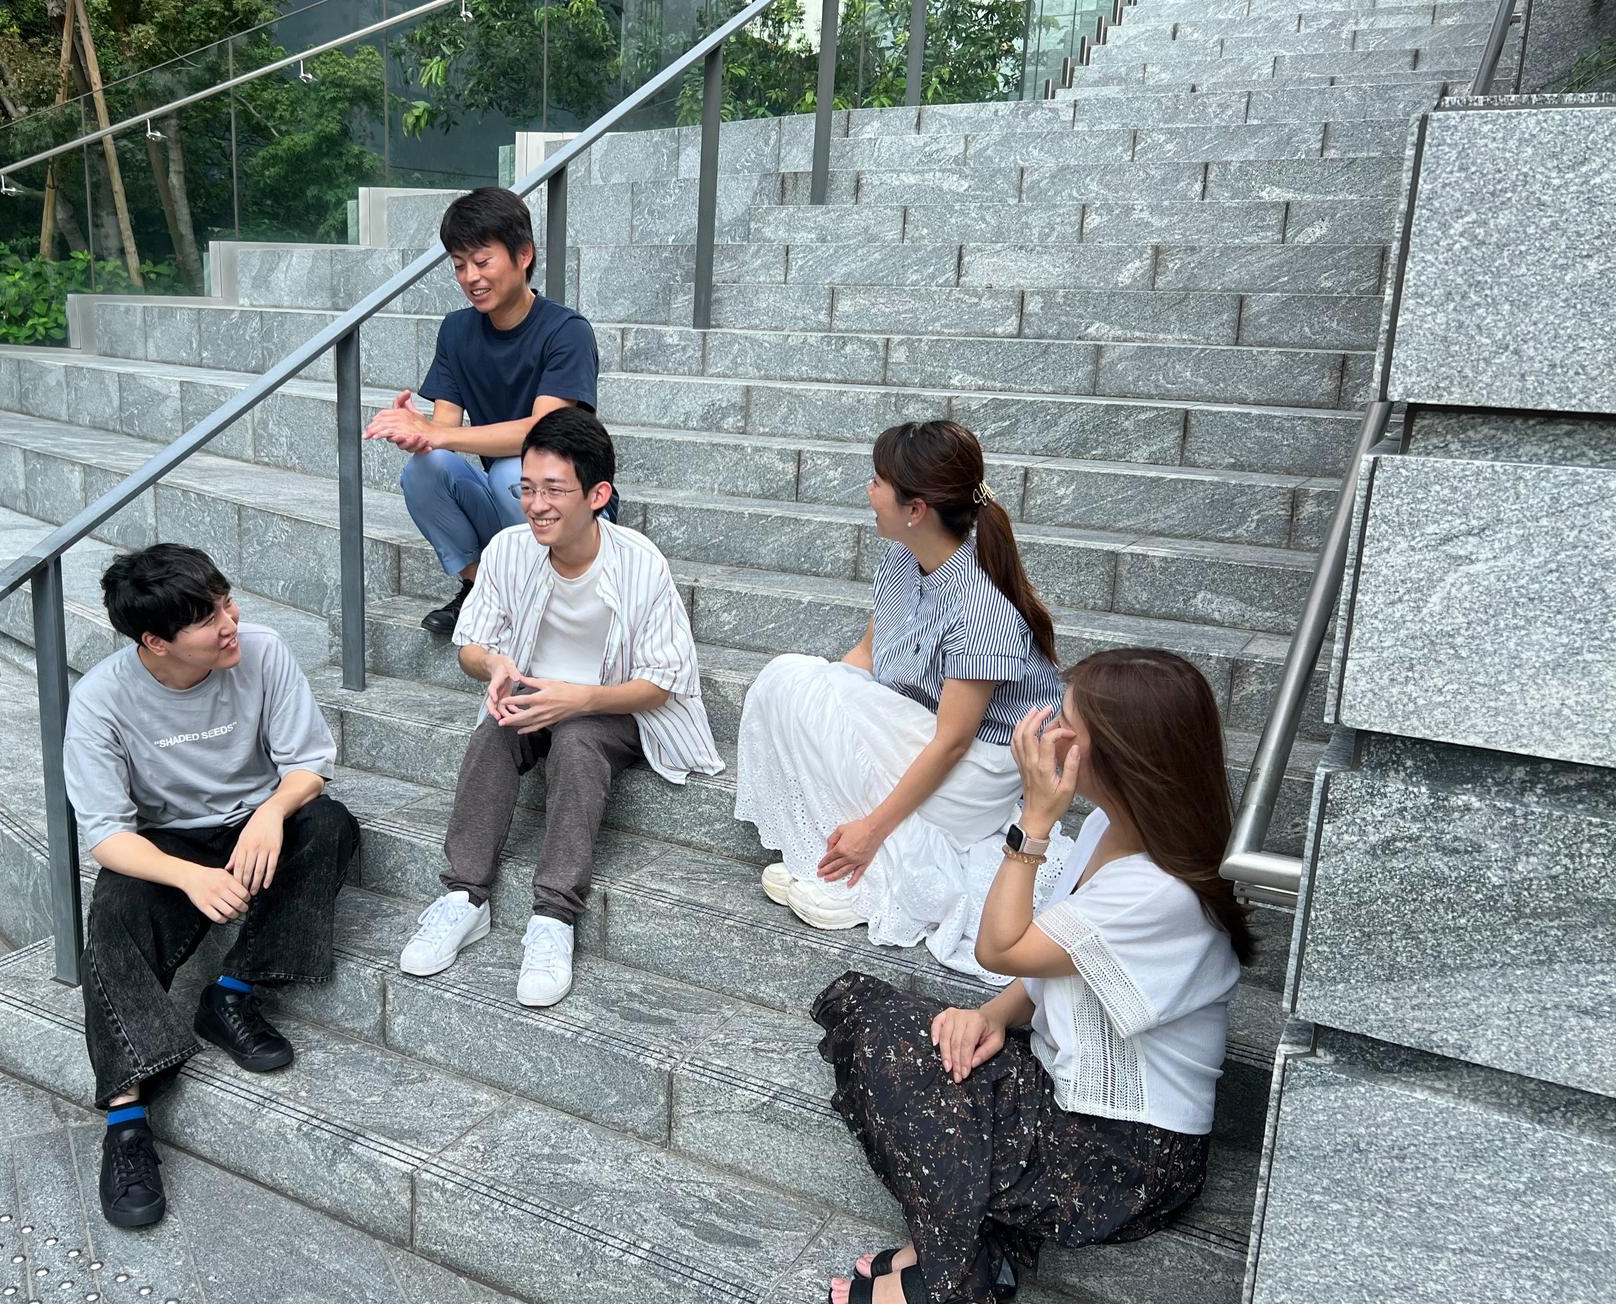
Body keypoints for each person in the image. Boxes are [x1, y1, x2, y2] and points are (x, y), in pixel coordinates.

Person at [813, 649, 1257, 1304]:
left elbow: (1000, 947)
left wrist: (1035, 822)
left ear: (1123, 758)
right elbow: (1061, 960)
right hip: (1067, 1091)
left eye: (1068, 724)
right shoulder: (1108, 825)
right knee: (871, 1015)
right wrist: (992, 1015)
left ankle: (950, 1275)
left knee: (899, 1057)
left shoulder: (1158, 890)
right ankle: (973, 1253)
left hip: (1124, 1158)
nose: (1047, 731)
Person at [63, 544, 358, 1229]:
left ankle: (231, 994)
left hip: (259, 821)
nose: (231, 624)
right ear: (156, 642)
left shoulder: (263, 651)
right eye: (207, 619)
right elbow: (106, 834)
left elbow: (310, 764)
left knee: (329, 825)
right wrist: (190, 877)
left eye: (226, 603)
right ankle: (127, 1121)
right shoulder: (102, 699)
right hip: (170, 841)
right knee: (115, 905)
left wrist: (272, 813)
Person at [396, 408, 721, 1007]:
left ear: (598, 495)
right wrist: (494, 665)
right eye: (526, 488)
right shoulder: (507, 550)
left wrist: (581, 699)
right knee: (497, 727)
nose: (536, 505)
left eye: (553, 490)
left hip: (618, 704)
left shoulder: (639, 562)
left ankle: (553, 916)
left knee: (577, 739)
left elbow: (663, 683)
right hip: (534, 694)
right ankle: (464, 896)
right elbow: (470, 646)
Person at [733, 419, 1062, 950]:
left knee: (803, 686)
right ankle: (829, 851)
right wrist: (818, 722)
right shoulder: (904, 557)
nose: (869, 491)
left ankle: (867, 873)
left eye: (878, 481)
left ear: (916, 510)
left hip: (976, 767)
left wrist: (872, 829)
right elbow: (865, 656)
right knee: (791, 684)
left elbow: (953, 741)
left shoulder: (981, 607)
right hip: (923, 727)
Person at [364, 186, 601, 636]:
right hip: (514, 502)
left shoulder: (566, 331)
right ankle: (479, 588)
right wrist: (417, 434)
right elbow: (444, 431)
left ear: (523, 255)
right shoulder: (457, 331)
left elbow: (543, 433)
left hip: (574, 505)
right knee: (426, 468)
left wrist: (437, 433)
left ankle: (554, 593)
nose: (471, 277)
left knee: (515, 471)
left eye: (482, 261)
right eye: (459, 265)